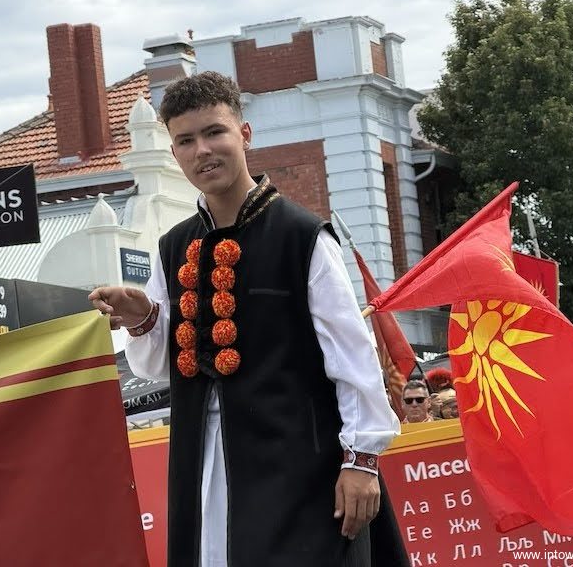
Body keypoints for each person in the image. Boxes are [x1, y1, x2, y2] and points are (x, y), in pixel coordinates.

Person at [89, 72, 405, 567]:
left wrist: (361, 460)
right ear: (173, 152)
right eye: (186, 141)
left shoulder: (301, 236)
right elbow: (158, 366)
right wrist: (144, 318)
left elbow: (353, 356)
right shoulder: (174, 246)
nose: (202, 151)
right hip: (201, 460)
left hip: (296, 460)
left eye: (214, 132)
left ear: (245, 134)